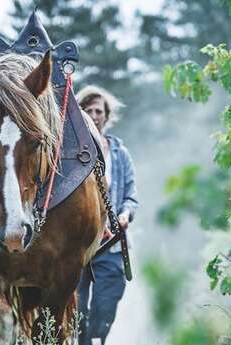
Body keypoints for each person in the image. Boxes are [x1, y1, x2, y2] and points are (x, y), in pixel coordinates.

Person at [76, 86, 139, 345]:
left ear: (106, 115)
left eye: (98, 111)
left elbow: (131, 196)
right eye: (87, 110)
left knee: (105, 307)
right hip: (77, 245)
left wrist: (125, 214)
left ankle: (95, 338)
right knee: (76, 312)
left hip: (111, 243)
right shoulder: (71, 152)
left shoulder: (119, 153)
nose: (93, 115)